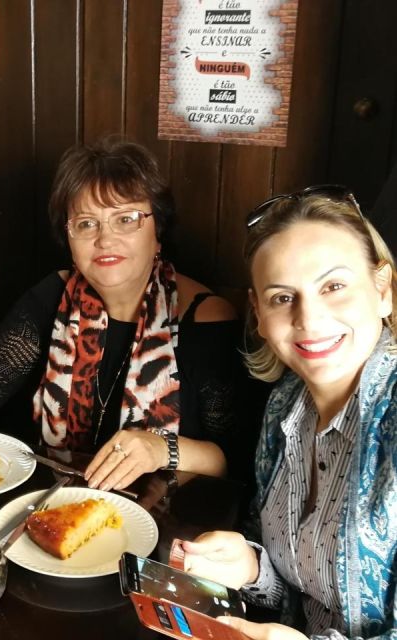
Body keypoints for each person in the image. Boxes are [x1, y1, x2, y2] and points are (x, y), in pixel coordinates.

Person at [0, 138, 248, 491]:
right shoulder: (55, 294)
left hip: (163, 525)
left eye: (126, 219)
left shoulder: (206, 317)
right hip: (58, 505)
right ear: (69, 239)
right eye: (86, 223)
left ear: (158, 230)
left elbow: (231, 458)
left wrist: (159, 448)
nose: (105, 239)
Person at [181, 187, 397, 639]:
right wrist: (252, 567)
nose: (310, 318)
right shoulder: (286, 404)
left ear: (384, 292)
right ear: (258, 313)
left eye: (334, 287)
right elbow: (299, 595)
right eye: (282, 297)